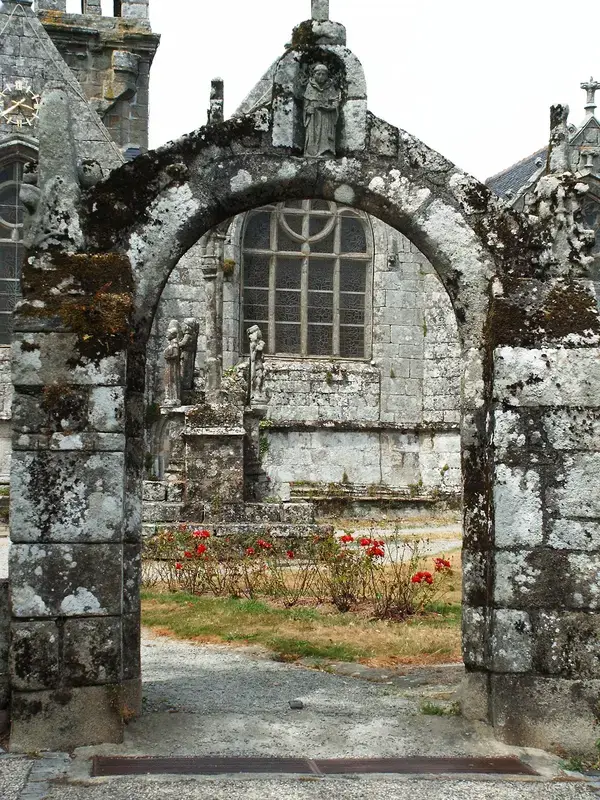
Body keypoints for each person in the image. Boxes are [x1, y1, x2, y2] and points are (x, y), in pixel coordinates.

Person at [303, 63, 341, 157]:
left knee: (325, 133)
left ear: (327, 76)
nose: (321, 76)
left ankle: (326, 151)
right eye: (318, 74)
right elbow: (305, 104)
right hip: (313, 116)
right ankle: (311, 152)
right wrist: (308, 109)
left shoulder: (330, 87)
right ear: (314, 75)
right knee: (313, 134)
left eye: (323, 74)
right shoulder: (310, 86)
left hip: (326, 116)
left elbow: (335, 101)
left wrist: (331, 107)